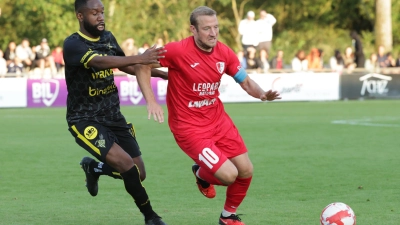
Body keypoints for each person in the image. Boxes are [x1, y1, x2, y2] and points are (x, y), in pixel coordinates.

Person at [134, 6, 281, 225]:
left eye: (216, 27)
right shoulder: (177, 50)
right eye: (206, 29)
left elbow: (246, 81)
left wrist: (261, 94)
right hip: (189, 127)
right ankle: (202, 175)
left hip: (218, 120)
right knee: (229, 175)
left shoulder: (224, 52)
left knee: (246, 170)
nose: (213, 33)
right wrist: (151, 100)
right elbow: (141, 64)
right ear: (193, 29)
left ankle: (227, 217)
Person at [63, 1, 168, 225]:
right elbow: (100, 62)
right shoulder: (72, 44)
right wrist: (140, 57)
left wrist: (162, 74)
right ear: (80, 16)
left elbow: (123, 65)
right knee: (126, 166)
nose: (100, 17)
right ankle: (151, 217)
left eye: (102, 12)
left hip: (113, 115)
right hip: (84, 119)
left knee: (139, 173)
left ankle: (94, 168)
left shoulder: (108, 37)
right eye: (94, 13)